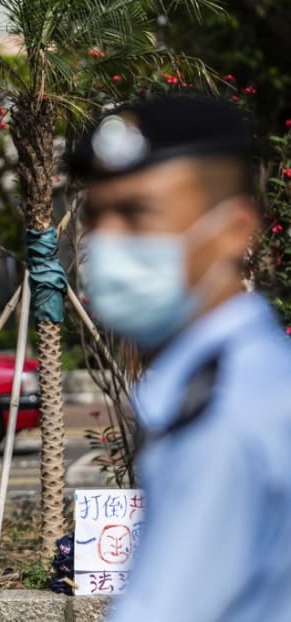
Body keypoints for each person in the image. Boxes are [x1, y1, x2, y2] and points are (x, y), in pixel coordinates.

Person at [68, 95, 291, 621]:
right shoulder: (254, 374)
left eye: (138, 215)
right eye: (97, 216)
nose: (107, 241)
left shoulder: (221, 410)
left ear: (234, 231)